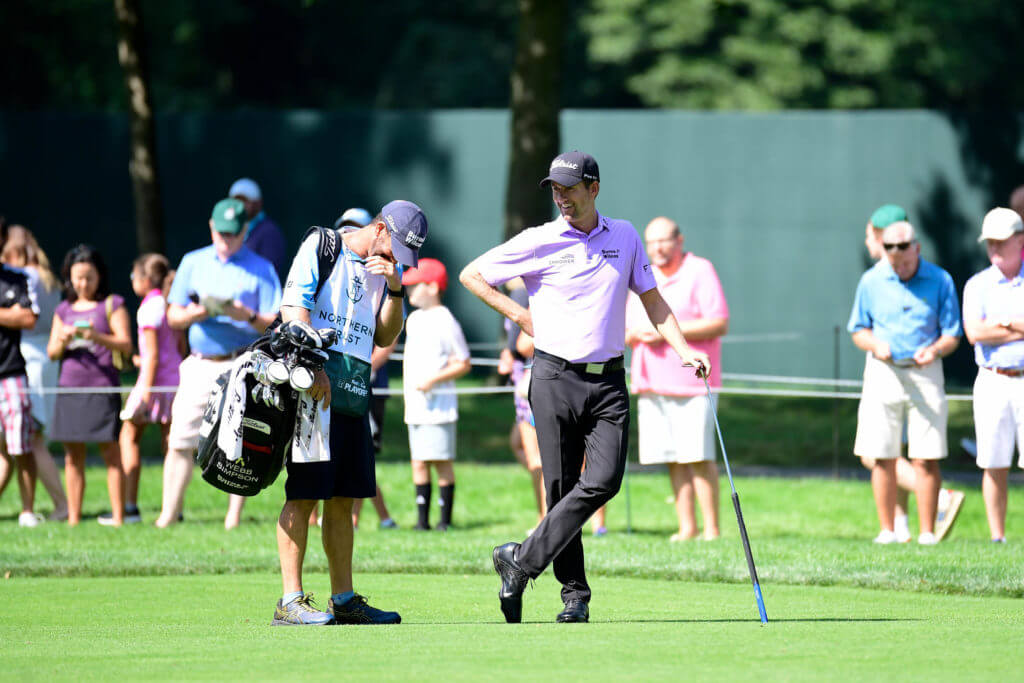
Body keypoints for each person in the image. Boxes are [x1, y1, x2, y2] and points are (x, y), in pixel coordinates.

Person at [460, 150, 710, 624]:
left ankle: (520, 559)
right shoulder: (539, 240)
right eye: (555, 190)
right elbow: (472, 275)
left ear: (594, 188)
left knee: (604, 481)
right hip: (554, 378)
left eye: (569, 189)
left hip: (609, 380)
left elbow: (653, 300)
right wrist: (521, 316)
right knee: (560, 490)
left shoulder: (626, 236)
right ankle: (574, 596)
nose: (561, 198)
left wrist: (682, 350)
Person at [271, 199, 427, 626]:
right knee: (303, 496)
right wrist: (312, 363)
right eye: (396, 249)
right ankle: (290, 602)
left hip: (355, 394)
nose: (398, 260)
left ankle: (343, 600)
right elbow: (293, 308)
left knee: (342, 501)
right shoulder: (322, 245)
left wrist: (396, 287)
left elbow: (385, 335)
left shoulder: (385, 272)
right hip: (312, 393)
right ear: (379, 229)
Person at [154, 198, 281, 529]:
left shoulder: (262, 268)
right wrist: (197, 313)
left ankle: (233, 519)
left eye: (232, 233)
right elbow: (173, 315)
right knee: (181, 439)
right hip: (200, 362)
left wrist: (247, 315)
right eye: (220, 232)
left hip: (243, 363)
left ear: (244, 231)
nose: (225, 239)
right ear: (212, 227)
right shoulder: (193, 262)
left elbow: (276, 321)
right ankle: (168, 515)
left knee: (238, 441)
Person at [848, 220, 961, 545]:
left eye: (907, 262)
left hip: (925, 370)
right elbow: (859, 328)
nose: (901, 268)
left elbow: (953, 332)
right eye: (895, 263)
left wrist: (936, 349)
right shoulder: (872, 280)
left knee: (927, 455)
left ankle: (927, 533)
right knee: (881, 455)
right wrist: (875, 345)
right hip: (884, 370)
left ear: (917, 249)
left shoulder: (940, 279)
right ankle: (888, 531)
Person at [625, 216, 729, 542]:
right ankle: (687, 528)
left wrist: (668, 334)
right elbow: (629, 327)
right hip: (651, 381)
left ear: (679, 240)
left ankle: (712, 530)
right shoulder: (643, 272)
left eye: (664, 240)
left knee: (698, 456)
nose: (657, 247)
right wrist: (638, 334)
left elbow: (718, 321)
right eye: (651, 241)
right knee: (671, 458)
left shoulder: (700, 270)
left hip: (693, 383)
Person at [46, 245, 132, 526]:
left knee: (111, 452)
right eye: (77, 278)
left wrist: (94, 335)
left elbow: (126, 344)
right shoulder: (63, 309)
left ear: (100, 276)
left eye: (89, 277)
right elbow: (52, 352)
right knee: (73, 457)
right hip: (70, 386)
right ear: (69, 277)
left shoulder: (113, 304)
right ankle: (73, 518)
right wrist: (65, 341)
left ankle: (118, 518)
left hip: (102, 386)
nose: (83, 284)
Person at [962, 207, 1024, 543]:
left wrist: (1001, 322)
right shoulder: (977, 285)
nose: (995, 248)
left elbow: (988, 329)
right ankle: (997, 538)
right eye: (990, 242)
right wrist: (1019, 326)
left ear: (1020, 240)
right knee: (993, 461)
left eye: (1002, 241)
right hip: (992, 379)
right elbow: (974, 333)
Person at [336, 207, 398, 531]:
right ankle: (378, 518)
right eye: (344, 229)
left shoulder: (382, 276)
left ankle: (366, 518)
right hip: (327, 383)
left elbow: (387, 340)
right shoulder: (329, 260)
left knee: (360, 463)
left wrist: (359, 369)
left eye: (353, 228)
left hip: (364, 388)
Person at [0, 226, 67, 520]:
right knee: (13, 444)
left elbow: (29, 319)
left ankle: (61, 504)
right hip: (43, 358)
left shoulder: (27, 277)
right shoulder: (47, 276)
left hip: (30, 360)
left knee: (31, 439)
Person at [110, 254, 182, 525]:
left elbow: (152, 356)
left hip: (154, 382)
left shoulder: (149, 307)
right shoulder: (170, 304)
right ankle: (175, 508)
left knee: (128, 437)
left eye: (133, 276)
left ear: (145, 279)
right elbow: (175, 349)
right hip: (175, 379)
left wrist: (145, 394)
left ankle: (129, 508)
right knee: (172, 445)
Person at [401, 258, 471, 531]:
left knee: (441, 461)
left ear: (432, 286)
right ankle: (422, 522)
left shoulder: (446, 320)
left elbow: (463, 362)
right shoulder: (414, 319)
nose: (410, 292)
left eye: (414, 286)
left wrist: (433, 379)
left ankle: (444, 522)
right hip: (415, 407)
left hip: (439, 407)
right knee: (418, 461)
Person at [499, 278, 545, 527]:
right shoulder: (518, 295)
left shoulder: (524, 293)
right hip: (523, 388)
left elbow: (525, 345)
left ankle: (546, 520)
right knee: (520, 445)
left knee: (538, 458)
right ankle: (547, 516)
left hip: (534, 387)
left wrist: (511, 351)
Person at [0, 245, 41, 526]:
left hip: (11, 373)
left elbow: (27, 318)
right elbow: (15, 316)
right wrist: (7, 313)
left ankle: (27, 510)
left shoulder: (18, 278)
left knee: (20, 447)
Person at [229, 178, 288, 285]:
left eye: (244, 201)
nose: (239, 205)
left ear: (257, 203)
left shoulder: (270, 232)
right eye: (235, 200)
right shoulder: (229, 228)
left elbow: (269, 273)